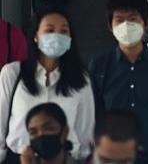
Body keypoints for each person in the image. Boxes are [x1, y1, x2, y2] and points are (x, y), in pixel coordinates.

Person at [89, 0, 148, 164]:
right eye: (119, 20)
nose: (126, 25)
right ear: (111, 26)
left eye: (133, 19)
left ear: (146, 23)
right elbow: (94, 115)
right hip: (114, 156)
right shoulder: (100, 66)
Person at [0, 9, 94, 163]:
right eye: (50, 30)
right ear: (36, 36)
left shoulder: (81, 79)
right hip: (19, 158)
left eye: (64, 31)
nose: (57, 36)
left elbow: (85, 132)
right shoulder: (13, 73)